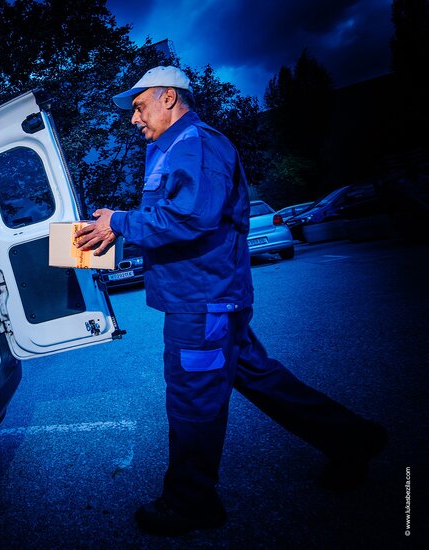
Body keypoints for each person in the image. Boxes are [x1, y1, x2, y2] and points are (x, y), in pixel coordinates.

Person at [74, 66, 388, 537]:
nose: (134, 119)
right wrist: (114, 230)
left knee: (193, 401)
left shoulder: (196, 143)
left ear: (168, 97)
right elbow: (173, 218)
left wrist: (118, 222)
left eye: (139, 107)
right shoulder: (171, 147)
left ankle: (191, 502)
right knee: (261, 379)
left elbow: (191, 219)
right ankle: (352, 438)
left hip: (203, 304)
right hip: (208, 299)